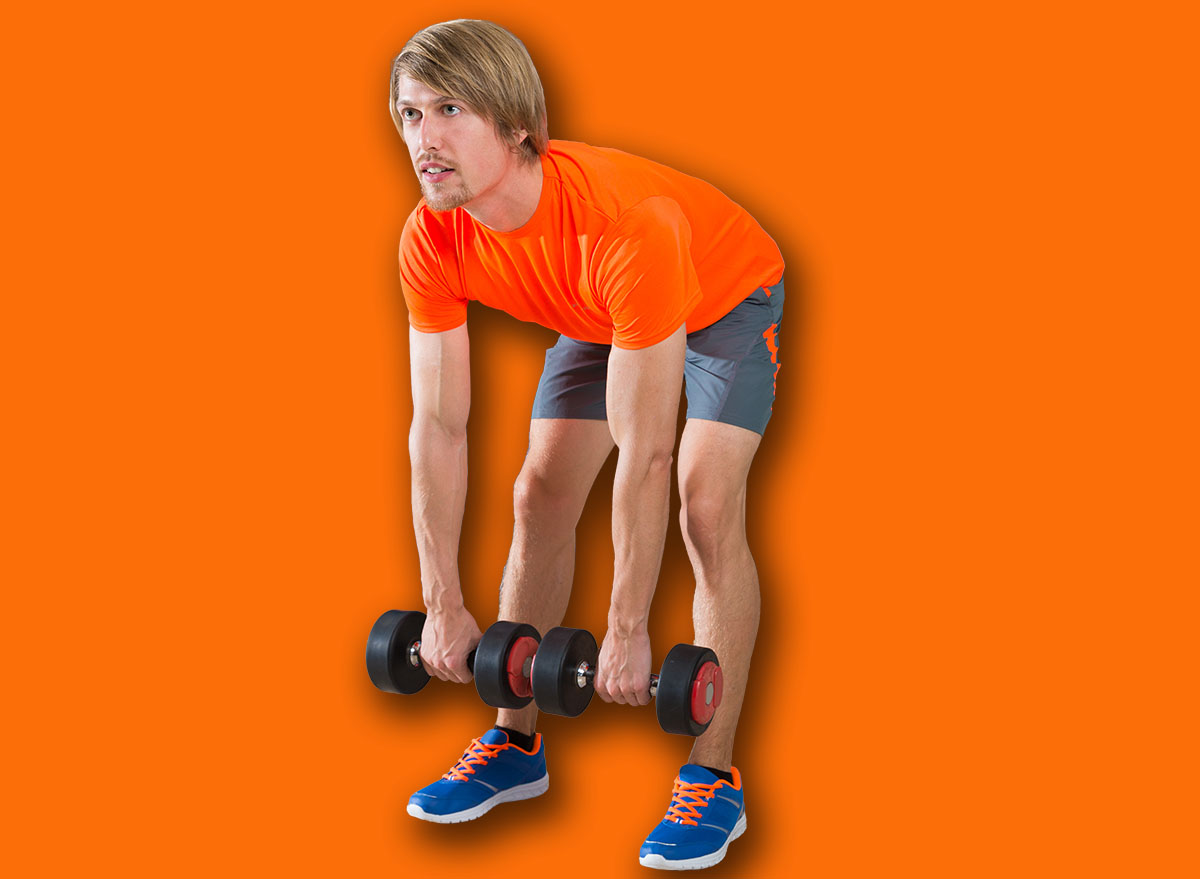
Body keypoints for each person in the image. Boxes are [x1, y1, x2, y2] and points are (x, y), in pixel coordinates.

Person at [390, 19, 785, 871]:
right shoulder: (433, 236)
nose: (424, 138)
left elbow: (645, 452)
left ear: (514, 122)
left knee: (703, 505)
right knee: (539, 496)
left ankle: (712, 774)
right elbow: (438, 426)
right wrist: (442, 606)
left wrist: (628, 629)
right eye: (410, 114)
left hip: (717, 296)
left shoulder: (625, 222)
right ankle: (513, 742)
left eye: (449, 108)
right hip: (600, 311)